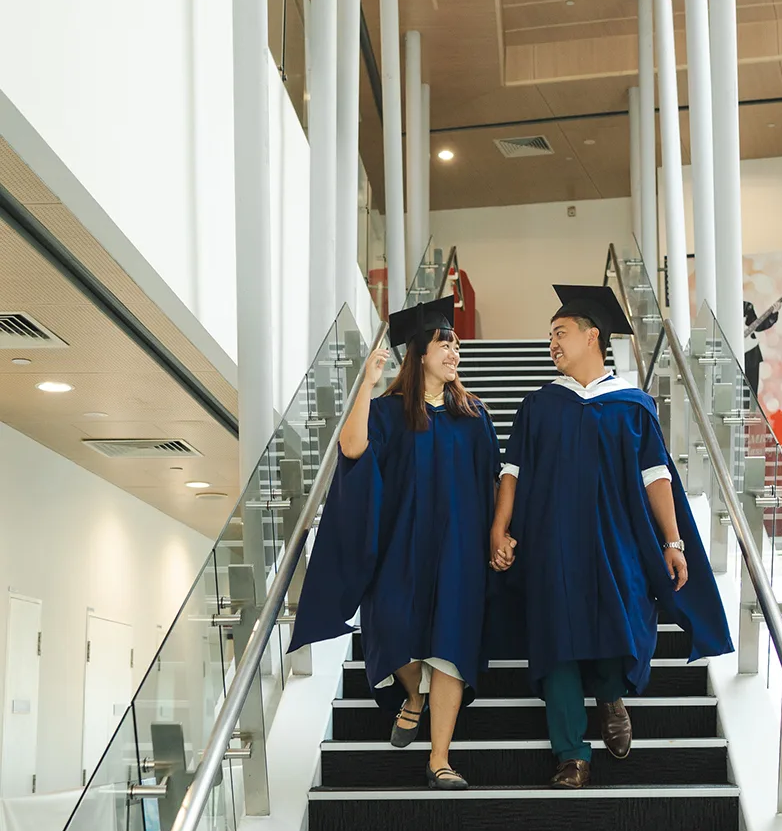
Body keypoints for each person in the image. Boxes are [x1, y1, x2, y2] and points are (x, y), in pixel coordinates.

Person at [489, 284, 733, 789]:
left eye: (560, 333)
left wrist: (673, 541)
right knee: (556, 642)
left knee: (616, 621)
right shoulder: (539, 407)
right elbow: (511, 472)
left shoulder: (632, 405)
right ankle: (571, 754)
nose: (551, 343)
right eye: (550, 336)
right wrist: (499, 528)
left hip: (615, 542)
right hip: (552, 545)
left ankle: (609, 696)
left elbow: (656, 476)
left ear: (591, 335)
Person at [289, 296, 500, 790]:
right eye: (445, 343)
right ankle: (412, 696)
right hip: (400, 547)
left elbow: (492, 481)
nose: (455, 352)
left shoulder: (473, 417)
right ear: (420, 352)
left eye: (457, 345)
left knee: (450, 648)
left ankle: (440, 758)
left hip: (457, 553)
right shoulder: (386, 414)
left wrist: (495, 538)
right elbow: (352, 448)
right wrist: (366, 383)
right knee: (391, 632)